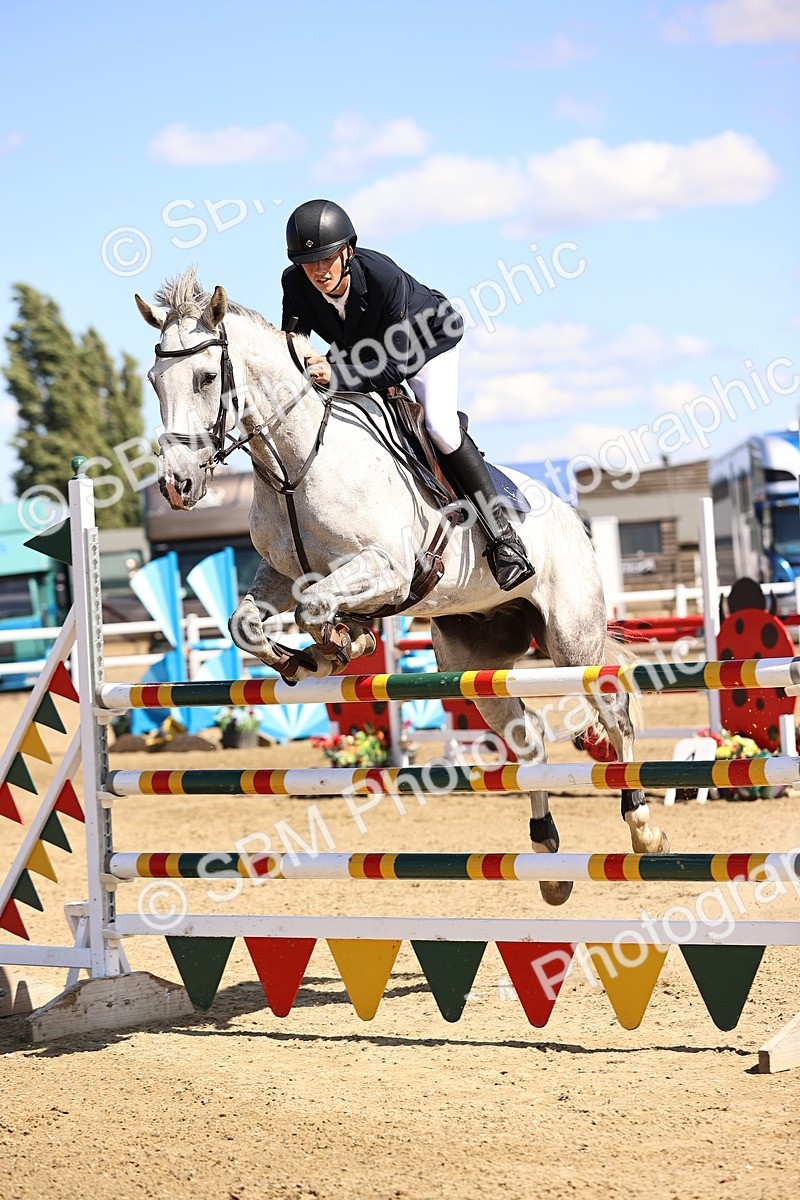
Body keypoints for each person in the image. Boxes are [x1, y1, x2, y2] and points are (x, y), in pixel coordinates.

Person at [280, 198, 535, 591]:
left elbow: (392, 371)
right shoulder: (295, 283)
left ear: (347, 251)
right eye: (307, 262)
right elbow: (292, 342)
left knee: (440, 427)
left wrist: (333, 372)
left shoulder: (383, 278)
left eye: (327, 259)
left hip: (425, 343)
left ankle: (504, 542)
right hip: (361, 348)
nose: (317, 270)